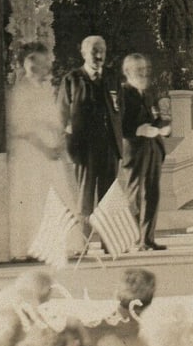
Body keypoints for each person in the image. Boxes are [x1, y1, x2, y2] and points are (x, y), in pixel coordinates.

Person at [7, 42, 80, 260]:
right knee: (33, 196)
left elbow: (54, 120)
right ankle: (32, 246)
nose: (43, 68)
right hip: (31, 150)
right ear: (27, 65)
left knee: (55, 195)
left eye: (45, 63)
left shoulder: (46, 89)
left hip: (50, 149)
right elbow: (22, 128)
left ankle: (57, 243)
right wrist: (45, 148)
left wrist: (58, 141)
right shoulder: (20, 91)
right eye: (36, 63)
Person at [58, 35, 124, 237]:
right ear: (84, 53)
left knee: (108, 197)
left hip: (109, 147)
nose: (99, 55)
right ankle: (83, 242)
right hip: (84, 149)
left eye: (102, 50)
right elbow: (61, 117)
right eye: (94, 50)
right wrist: (71, 147)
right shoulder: (72, 80)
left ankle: (108, 241)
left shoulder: (113, 78)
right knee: (84, 198)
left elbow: (119, 110)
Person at [119, 54, 170, 251]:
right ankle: (133, 239)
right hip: (134, 148)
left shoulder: (148, 93)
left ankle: (147, 240)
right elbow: (117, 124)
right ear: (127, 72)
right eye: (139, 70)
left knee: (153, 193)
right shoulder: (123, 94)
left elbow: (156, 117)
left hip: (153, 148)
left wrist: (164, 128)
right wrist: (137, 131)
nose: (144, 73)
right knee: (134, 195)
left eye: (146, 70)